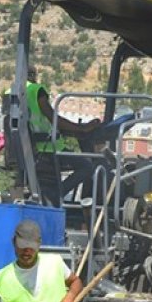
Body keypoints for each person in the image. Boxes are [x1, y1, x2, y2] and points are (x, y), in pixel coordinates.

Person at [21, 67, 101, 204]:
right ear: (33, 76)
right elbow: (53, 118)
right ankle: (56, 195)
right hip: (46, 149)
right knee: (87, 167)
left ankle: (54, 196)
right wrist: (82, 129)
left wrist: (75, 130)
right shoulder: (36, 90)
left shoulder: (10, 91)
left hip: (25, 148)